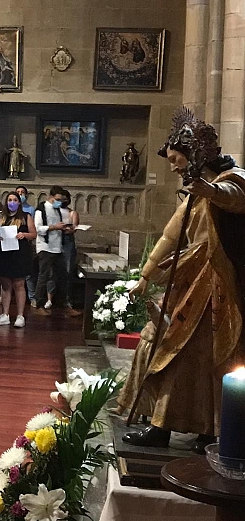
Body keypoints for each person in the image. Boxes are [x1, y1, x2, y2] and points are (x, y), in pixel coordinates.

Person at [122, 108, 245, 454]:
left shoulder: (231, 179)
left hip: (219, 284)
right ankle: (174, 425)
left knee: (194, 354)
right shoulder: (193, 192)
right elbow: (170, 236)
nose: (174, 166)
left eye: (177, 159)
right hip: (194, 280)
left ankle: (202, 430)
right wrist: (146, 276)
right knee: (181, 353)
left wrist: (210, 189)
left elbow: (234, 198)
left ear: (195, 156)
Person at [0, 191, 37, 328]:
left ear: (19, 202)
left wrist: (24, 234)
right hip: (4, 253)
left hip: (20, 254)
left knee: (19, 285)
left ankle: (20, 315)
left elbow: (33, 234)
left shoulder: (26, 216)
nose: (12, 202)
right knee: (5, 285)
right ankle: (5, 314)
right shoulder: (0, 216)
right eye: (9, 200)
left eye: (14, 200)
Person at [33, 186, 68, 314]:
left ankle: (62, 304)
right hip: (45, 247)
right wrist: (54, 227)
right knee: (44, 276)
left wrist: (64, 228)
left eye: (61, 200)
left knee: (61, 276)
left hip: (57, 247)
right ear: (51, 197)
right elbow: (38, 228)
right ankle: (38, 304)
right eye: (57, 199)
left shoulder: (58, 210)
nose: (59, 202)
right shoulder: (41, 209)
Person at [59, 189, 81, 316]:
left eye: (65, 198)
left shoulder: (72, 213)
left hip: (67, 243)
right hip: (55, 242)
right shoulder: (54, 211)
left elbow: (73, 228)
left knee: (68, 271)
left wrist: (63, 228)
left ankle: (68, 301)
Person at [16, 185, 36, 306]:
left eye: (22, 192)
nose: (20, 194)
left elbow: (32, 230)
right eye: (18, 192)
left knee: (27, 275)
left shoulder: (30, 210)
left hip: (25, 244)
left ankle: (32, 296)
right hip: (11, 245)